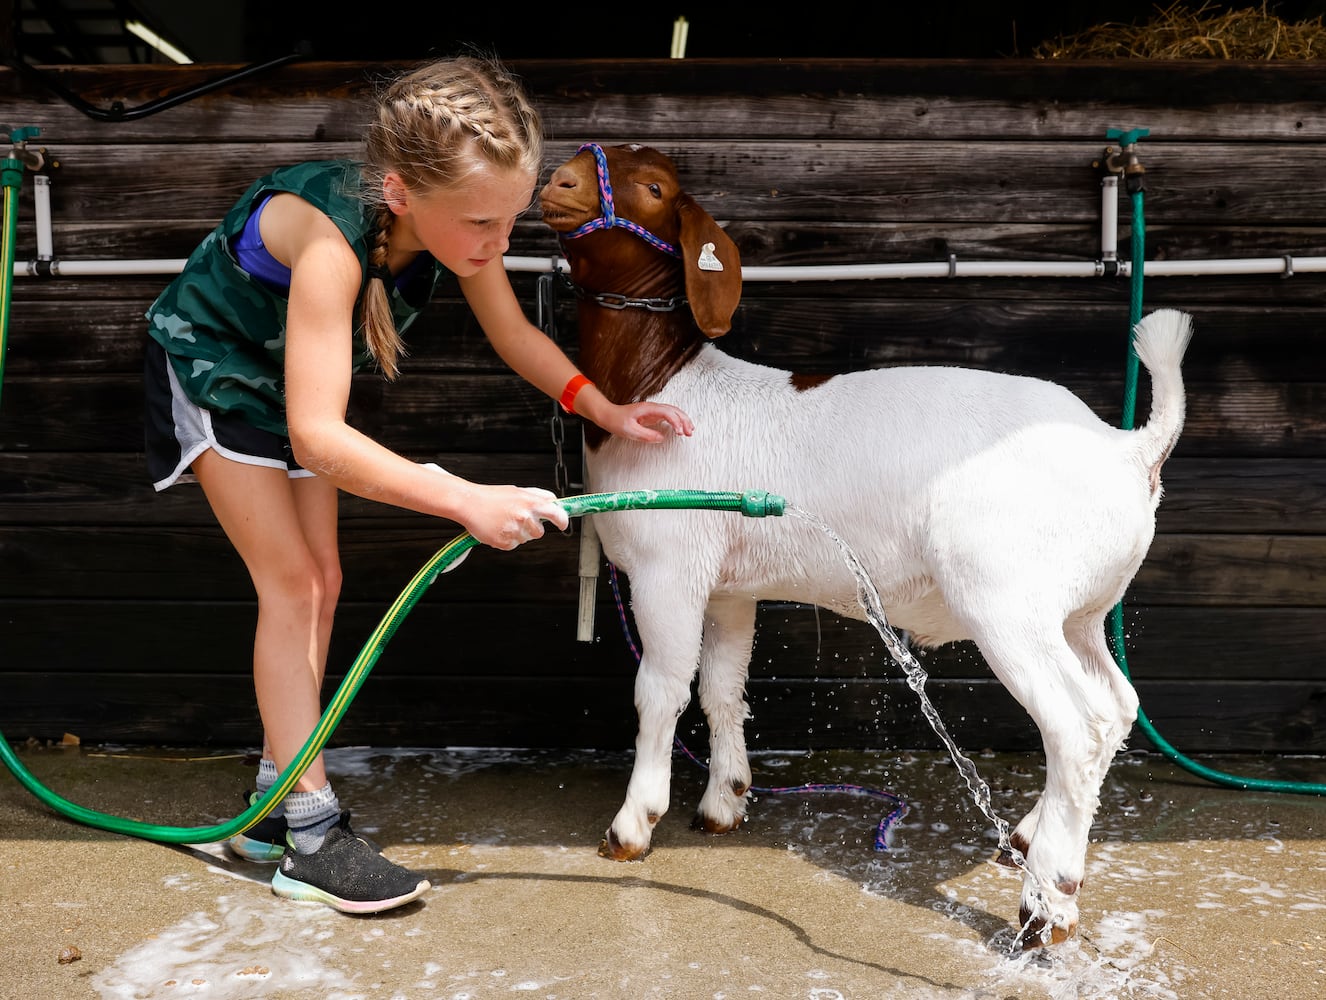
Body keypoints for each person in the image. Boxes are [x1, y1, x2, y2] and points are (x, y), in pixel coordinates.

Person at [142, 54, 693, 915]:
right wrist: (463, 498)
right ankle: (311, 835)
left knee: (324, 580)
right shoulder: (330, 244)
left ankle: (270, 803)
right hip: (215, 368)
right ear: (400, 194)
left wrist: (606, 407)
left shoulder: (459, 223)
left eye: (511, 221)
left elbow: (513, 336)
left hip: (294, 386)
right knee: (289, 584)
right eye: (482, 223)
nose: (497, 244)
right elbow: (320, 438)